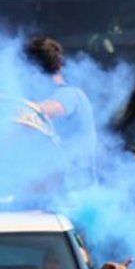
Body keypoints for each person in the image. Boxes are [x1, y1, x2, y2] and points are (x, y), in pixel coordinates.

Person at [25, 36, 98, 177]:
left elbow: (36, 112)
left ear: (31, 70)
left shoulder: (71, 95)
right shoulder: (51, 96)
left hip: (76, 188)